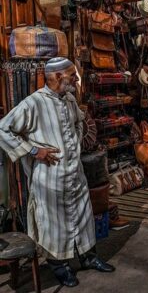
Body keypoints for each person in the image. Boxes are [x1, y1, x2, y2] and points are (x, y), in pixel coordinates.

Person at [0, 58, 115, 287]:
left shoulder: (70, 98)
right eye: (72, 75)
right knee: (53, 224)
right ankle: (59, 267)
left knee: (83, 217)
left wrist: (75, 144)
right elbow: (4, 128)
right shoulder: (34, 103)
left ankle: (88, 258)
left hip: (75, 173)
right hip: (50, 179)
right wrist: (34, 150)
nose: (76, 79)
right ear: (57, 77)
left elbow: (79, 122)